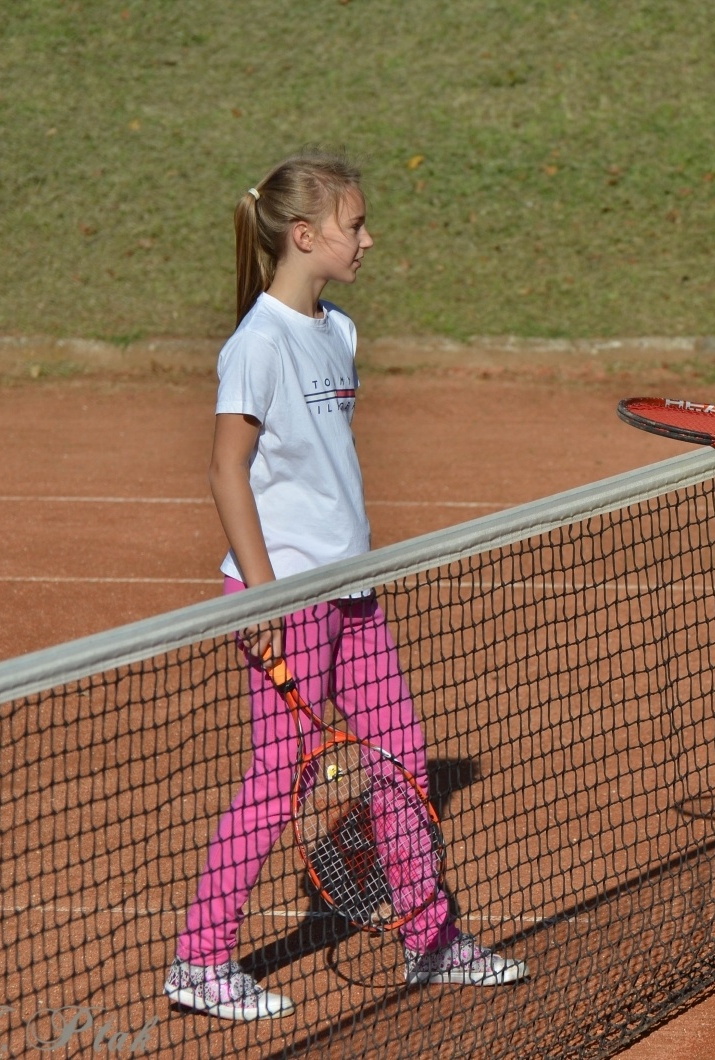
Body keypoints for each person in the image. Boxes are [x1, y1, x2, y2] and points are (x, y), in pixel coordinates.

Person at [164, 151, 527, 1021]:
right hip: (285, 596)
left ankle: (428, 938)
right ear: (305, 235)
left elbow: (322, 470)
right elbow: (227, 473)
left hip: (355, 588)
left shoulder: (340, 331)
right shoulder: (256, 345)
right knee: (276, 772)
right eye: (355, 224)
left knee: (401, 757)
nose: (368, 237)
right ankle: (201, 960)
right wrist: (267, 602)